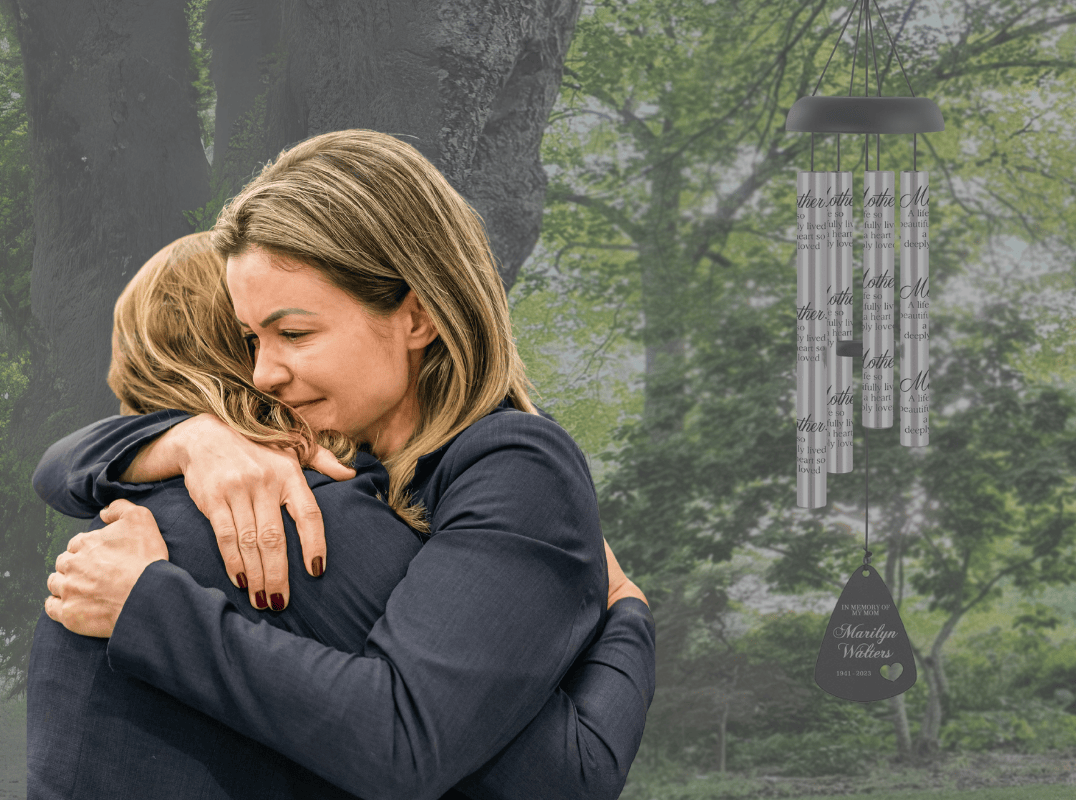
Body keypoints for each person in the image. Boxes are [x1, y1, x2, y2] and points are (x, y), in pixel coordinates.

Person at [34, 131, 653, 800]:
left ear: (417, 316)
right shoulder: (325, 461)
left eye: (294, 333)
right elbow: (59, 466)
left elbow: (426, 744)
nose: (263, 373)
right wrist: (190, 438)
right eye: (250, 339)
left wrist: (147, 607)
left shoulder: (511, 464)